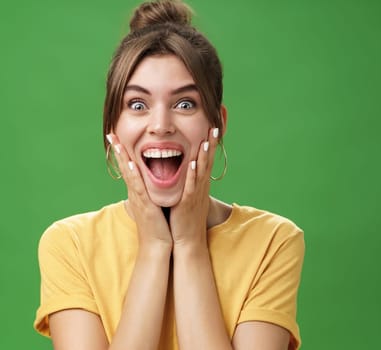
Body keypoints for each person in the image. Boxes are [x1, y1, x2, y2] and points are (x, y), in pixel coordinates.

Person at [33, 1, 305, 349]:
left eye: (185, 104)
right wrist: (155, 248)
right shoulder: (68, 244)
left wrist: (190, 246)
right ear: (112, 126)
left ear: (217, 123)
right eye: (137, 105)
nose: (160, 126)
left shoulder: (273, 242)